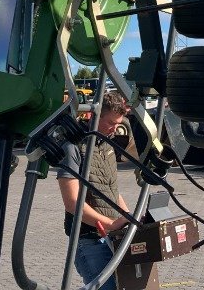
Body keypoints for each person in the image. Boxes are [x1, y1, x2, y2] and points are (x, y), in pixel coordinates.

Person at [57, 90, 131, 290]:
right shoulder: (72, 148)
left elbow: (111, 189)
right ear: (94, 115)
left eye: (118, 124)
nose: (114, 129)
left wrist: (128, 217)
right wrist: (111, 224)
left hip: (111, 237)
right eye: (110, 123)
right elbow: (72, 202)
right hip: (89, 240)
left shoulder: (106, 144)